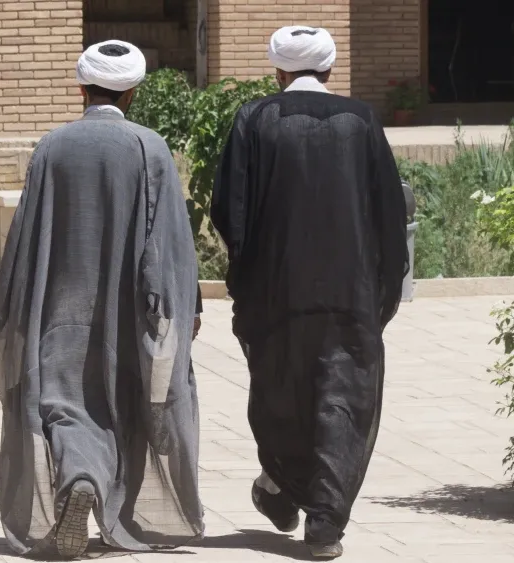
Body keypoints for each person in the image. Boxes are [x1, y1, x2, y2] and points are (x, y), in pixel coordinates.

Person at [0, 39, 204, 560]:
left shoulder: (52, 147)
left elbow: (25, 239)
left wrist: (15, 307)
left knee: (63, 403)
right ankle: (93, 489)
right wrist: (183, 306)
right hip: (126, 314)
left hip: (56, 309)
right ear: (132, 92)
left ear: (82, 88)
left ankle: (79, 479)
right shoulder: (148, 148)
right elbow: (169, 244)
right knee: (120, 403)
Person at [211, 25, 409, 560]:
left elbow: (230, 209)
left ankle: (282, 486)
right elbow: (389, 210)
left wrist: (248, 274)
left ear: (279, 71)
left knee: (281, 389)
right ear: (329, 69)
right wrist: (386, 284)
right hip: (350, 290)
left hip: (277, 291)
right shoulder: (361, 119)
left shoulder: (255, 118)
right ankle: (322, 522)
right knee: (342, 397)